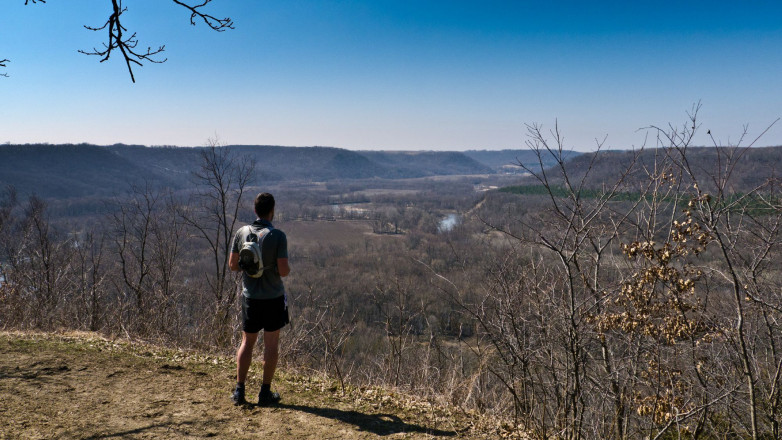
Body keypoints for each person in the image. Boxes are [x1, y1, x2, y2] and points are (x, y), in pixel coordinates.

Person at [228, 192, 291, 405]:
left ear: (255, 211)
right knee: (271, 345)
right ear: (272, 211)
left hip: (250, 297)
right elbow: (283, 272)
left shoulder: (241, 232)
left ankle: (239, 391)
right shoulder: (278, 236)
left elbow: (232, 265)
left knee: (247, 342)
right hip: (273, 298)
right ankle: (265, 392)